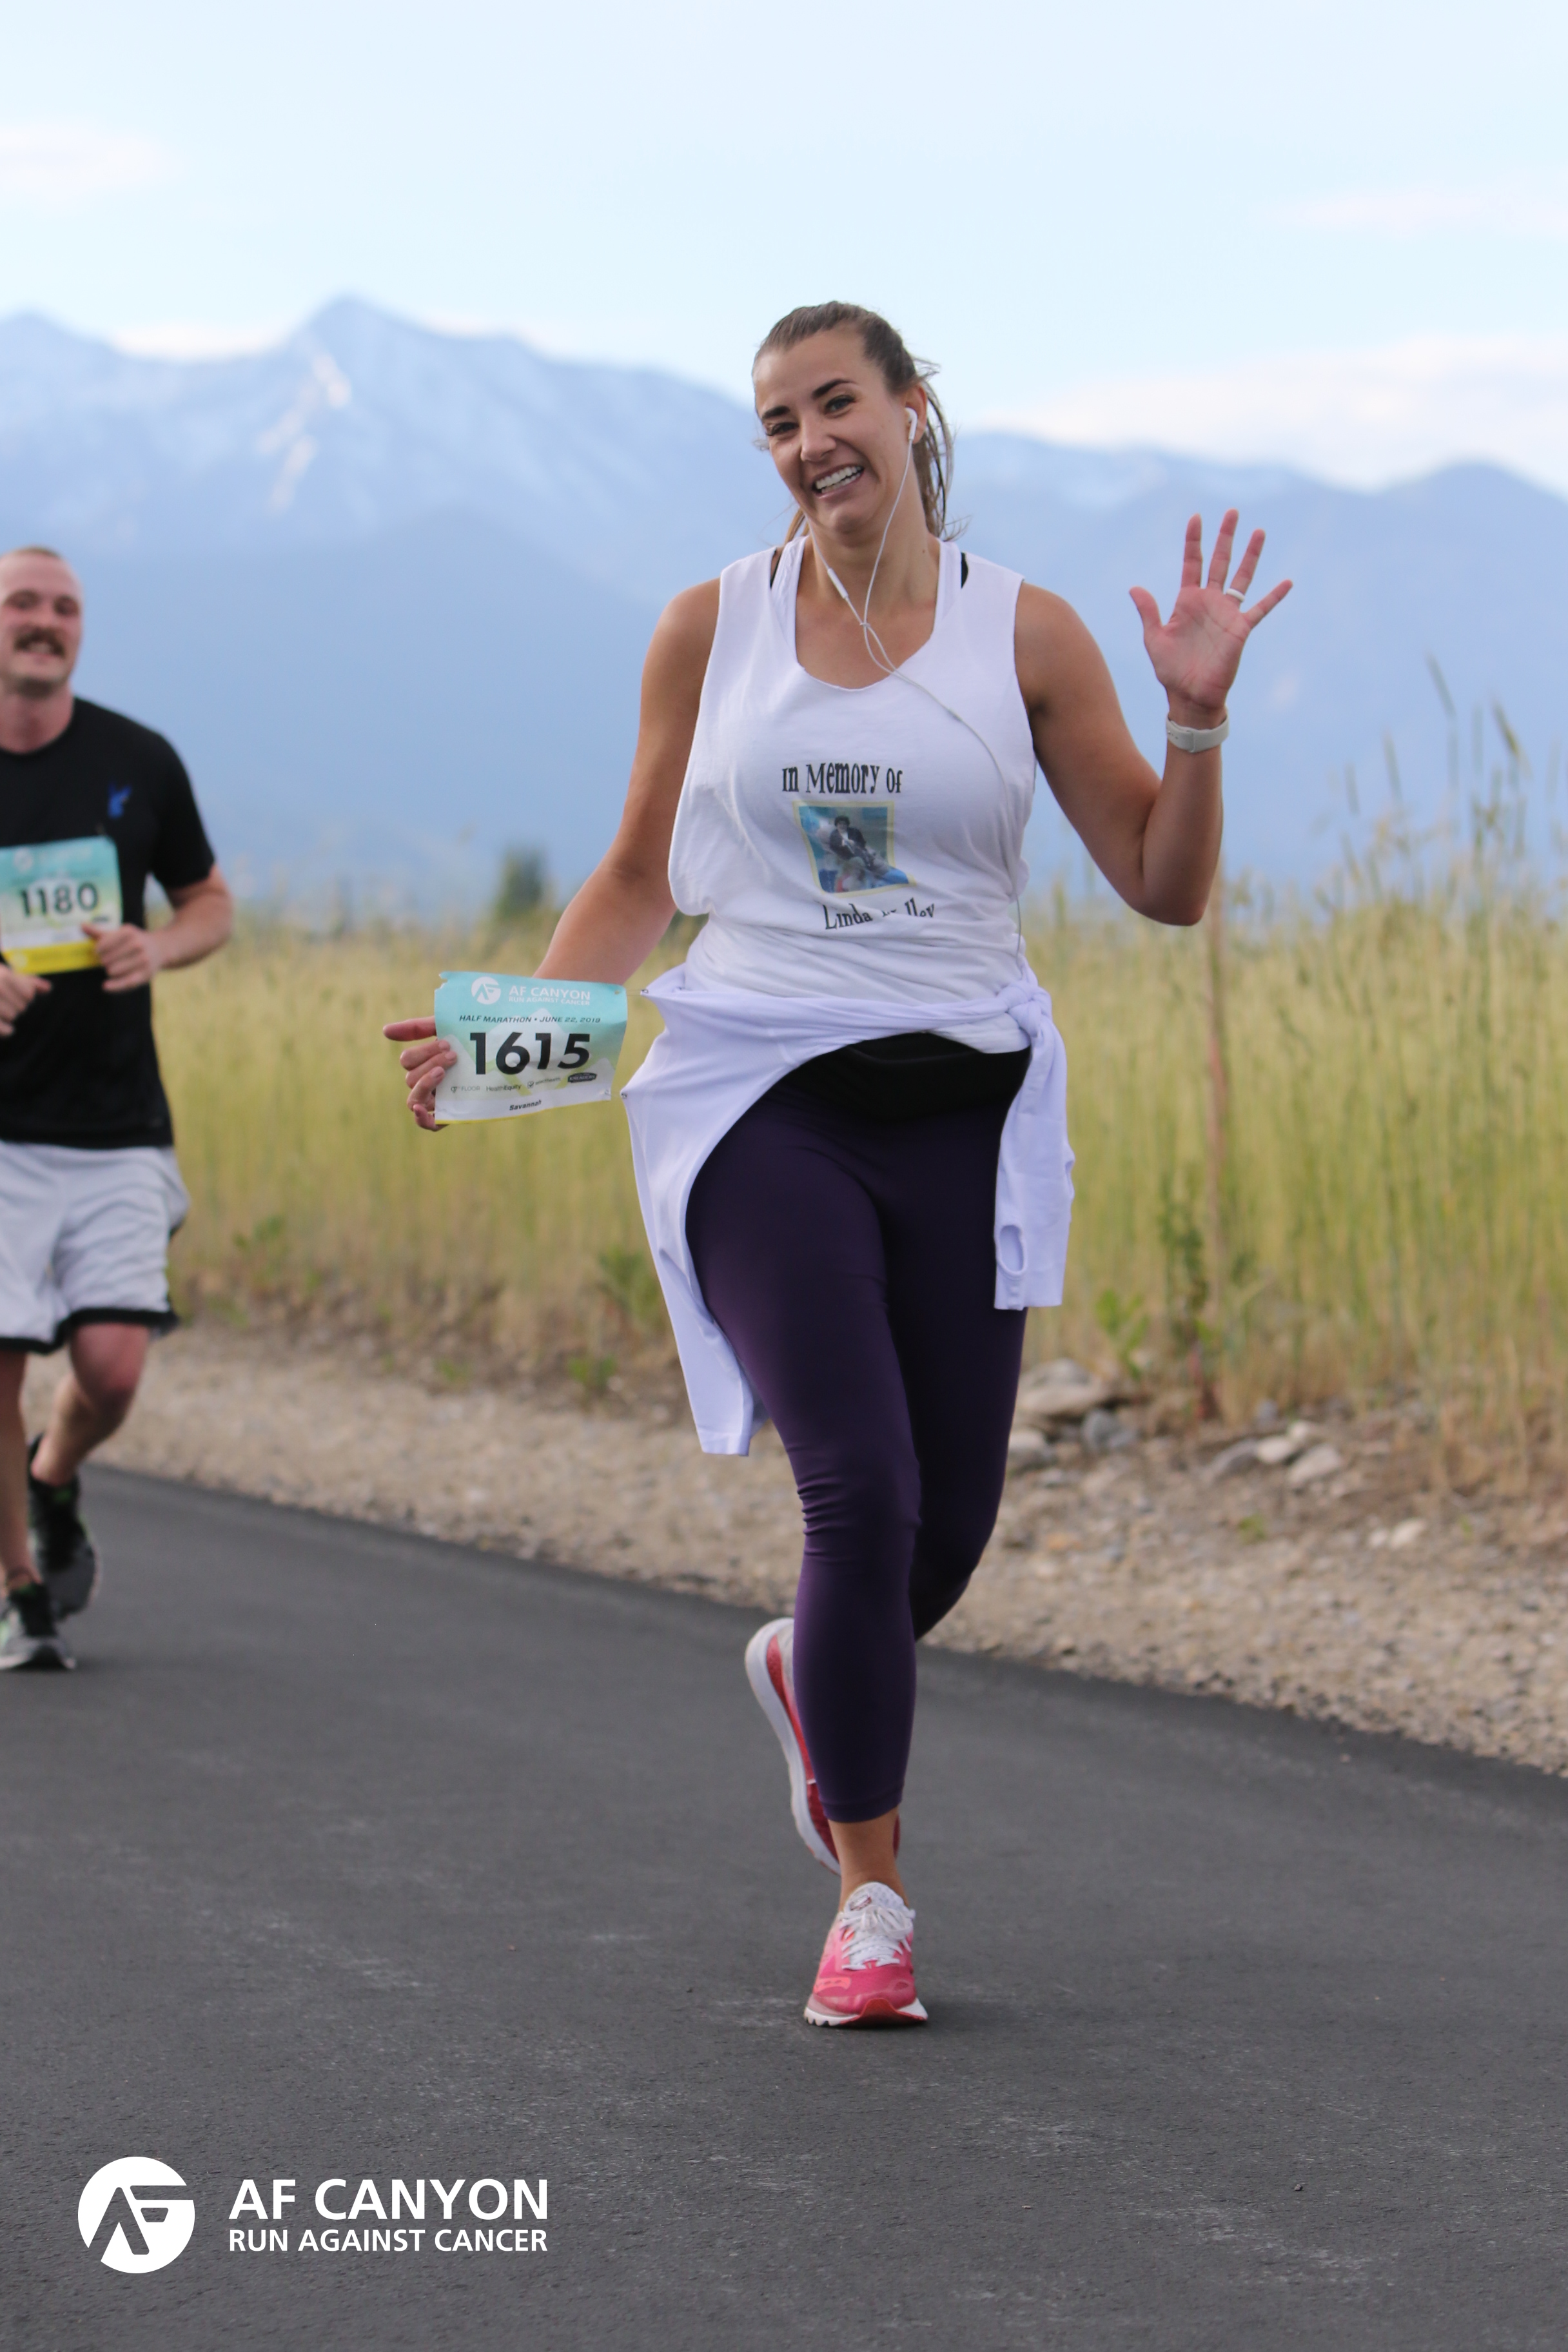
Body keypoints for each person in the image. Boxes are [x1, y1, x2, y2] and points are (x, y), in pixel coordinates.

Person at [386, 303, 1289, 2024]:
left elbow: (1164, 886)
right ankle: (871, 1901)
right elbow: (639, 876)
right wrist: (516, 1046)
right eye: (778, 422)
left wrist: (1195, 724)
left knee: (938, 1536)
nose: (810, 443)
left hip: (963, 1108)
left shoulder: (1027, 634)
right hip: (759, 1096)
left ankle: (815, 1668)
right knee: (857, 1492)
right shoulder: (708, 627)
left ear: (911, 407)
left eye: (835, 404)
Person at [0, 547, 233, 1671]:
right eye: (21, 603)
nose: (44, 621)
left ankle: (52, 1477)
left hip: (114, 1122)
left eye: (64, 607)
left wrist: (161, 946)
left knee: (113, 1370)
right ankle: (19, 1594)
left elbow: (210, 902)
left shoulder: (139, 759)